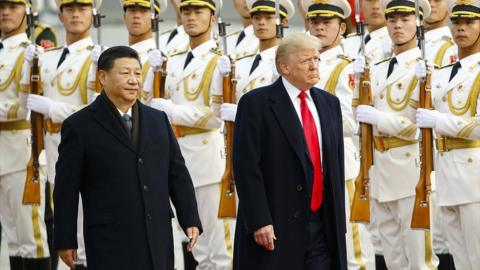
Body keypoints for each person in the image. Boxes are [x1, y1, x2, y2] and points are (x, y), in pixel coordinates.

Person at [53, 45, 202, 270]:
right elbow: (66, 189)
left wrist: (190, 217)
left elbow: (177, 173)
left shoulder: (158, 120)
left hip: (157, 236)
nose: (133, 80)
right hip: (109, 240)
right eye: (125, 73)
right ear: (102, 77)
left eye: (137, 73)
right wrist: (65, 239)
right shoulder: (79, 126)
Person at [233, 33, 347, 270]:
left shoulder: (329, 103)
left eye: (317, 59)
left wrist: (338, 221)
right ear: (284, 66)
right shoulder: (257, 103)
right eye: (306, 61)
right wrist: (259, 220)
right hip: (276, 223)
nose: (314, 65)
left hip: (322, 225)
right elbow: (246, 167)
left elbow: (334, 164)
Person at [145, 0, 234, 268]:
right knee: (184, 246)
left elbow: (215, 116)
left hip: (205, 159)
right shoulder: (172, 59)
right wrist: (152, 73)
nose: (191, 18)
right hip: (171, 156)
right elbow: (150, 102)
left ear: (212, 15)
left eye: (198, 12)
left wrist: (174, 112)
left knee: (215, 249)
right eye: (186, 12)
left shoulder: (220, 61)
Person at [353, 0, 440, 268]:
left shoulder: (425, 68)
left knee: (419, 257)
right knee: (391, 257)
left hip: (410, 168)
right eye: (392, 20)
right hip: (379, 168)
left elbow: (420, 126)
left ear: (418, 22)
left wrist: (381, 119)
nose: (397, 25)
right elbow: (358, 114)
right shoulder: (376, 66)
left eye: (404, 19)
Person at [21, 1, 100, 268]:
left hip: (85, 152)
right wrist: (27, 66)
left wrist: (53, 108)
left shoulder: (96, 56)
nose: (76, 14)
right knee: (63, 230)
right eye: (69, 9)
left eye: (82, 8)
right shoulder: (49, 57)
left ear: (93, 13)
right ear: (60, 15)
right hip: (53, 151)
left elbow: (96, 112)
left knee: (84, 233)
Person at [304, 0, 376, 269]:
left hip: (338, 162)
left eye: (327, 23)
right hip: (307, 162)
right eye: (314, 22)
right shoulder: (299, 63)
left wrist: (305, 120)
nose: (319, 27)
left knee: (352, 247)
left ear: (342, 27)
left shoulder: (347, 66)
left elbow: (350, 121)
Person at [416, 0, 480, 268]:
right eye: (456, 22)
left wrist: (441, 121)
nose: (461, 28)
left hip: (474, 175)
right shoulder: (443, 72)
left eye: (469, 23)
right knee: (460, 258)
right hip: (446, 173)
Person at [0, 0, 51, 269]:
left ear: (27, 10)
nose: (5, 12)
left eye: (13, 6)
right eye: (1, 6)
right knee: (12, 238)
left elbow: (24, 108)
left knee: (30, 237)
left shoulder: (30, 53)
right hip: (2, 153)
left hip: (21, 153)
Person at [213, 0, 294, 123]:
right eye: (256, 18)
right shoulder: (240, 62)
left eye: (268, 18)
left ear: (283, 22)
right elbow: (218, 112)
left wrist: (243, 113)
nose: (261, 22)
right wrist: (219, 78)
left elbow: (288, 115)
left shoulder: (289, 63)